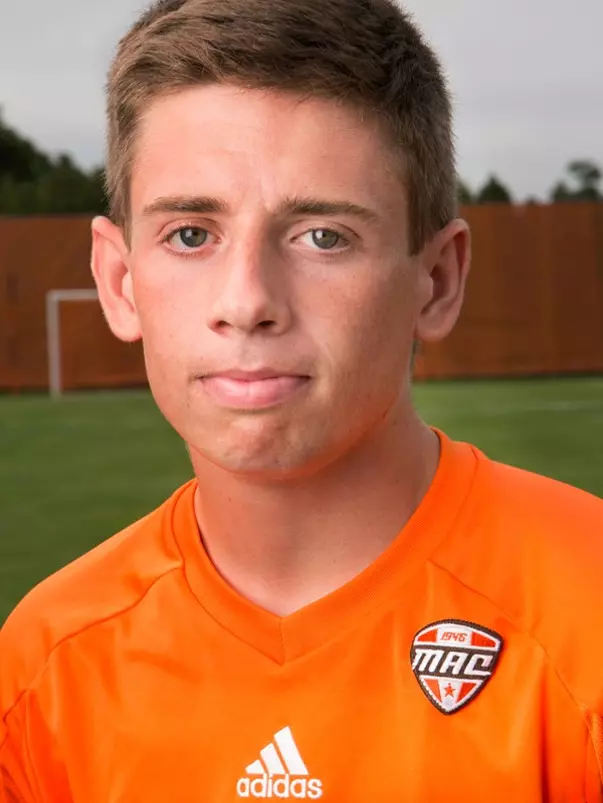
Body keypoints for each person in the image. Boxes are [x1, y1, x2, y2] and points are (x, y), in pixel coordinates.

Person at [1, 0, 602, 799]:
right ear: (118, 281)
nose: (246, 299)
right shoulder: (47, 661)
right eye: (190, 234)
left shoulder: (584, 611)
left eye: (322, 236)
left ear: (438, 280)